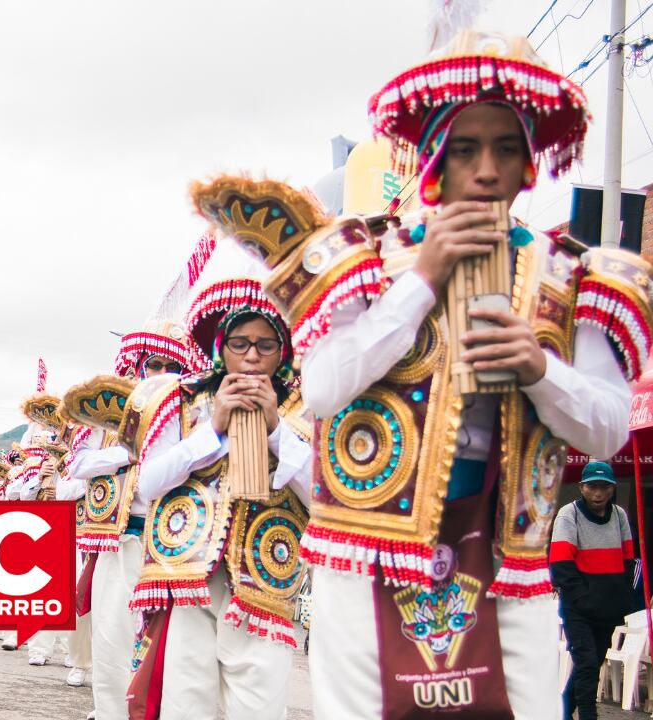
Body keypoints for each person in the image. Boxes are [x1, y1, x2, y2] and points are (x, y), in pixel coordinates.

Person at [224, 31, 645, 719]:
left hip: (512, 558)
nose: (485, 170)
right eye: (465, 149)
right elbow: (324, 387)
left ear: (529, 161)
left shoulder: (575, 278)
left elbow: (605, 432)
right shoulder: (367, 258)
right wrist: (421, 283)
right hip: (367, 547)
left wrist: (539, 370)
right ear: (433, 159)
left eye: (506, 148)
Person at [127, 278, 312, 719]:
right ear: (220, 346)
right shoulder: (182, 400)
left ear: (283, 350)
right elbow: (148, 484)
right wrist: (213, 431)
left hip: (265, 579)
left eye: (266, 345)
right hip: (188, 575)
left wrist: (274, 431)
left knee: (259, 708)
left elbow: (324, 497)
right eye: (240, 343)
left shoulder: (304, 406)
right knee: (184, 706)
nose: (251, 356)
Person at [59, 322, 198, 719]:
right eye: (153, 364)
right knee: (111, 636)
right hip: (121, 542)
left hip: (175, 546)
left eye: (171, 365)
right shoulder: (111, 414)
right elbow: (78, 465)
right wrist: (132, 451)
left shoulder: (192, 412)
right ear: (138, 367)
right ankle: (110, 712)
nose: (161, 373)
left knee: (169, 645)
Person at [551, 460, 636, 720]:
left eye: (604, 487)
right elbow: (561, 564)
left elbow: (628, 559)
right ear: (581, 487)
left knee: (592, 663)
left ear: (612, 489)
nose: (598, 493)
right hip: (579, 607)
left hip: (607, 606)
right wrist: (581, 597)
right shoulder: (569, 514)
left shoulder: (620, 515)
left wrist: (621, 597)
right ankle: (588, 714)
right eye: (591, 487)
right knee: (586, 662)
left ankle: (564, 709)